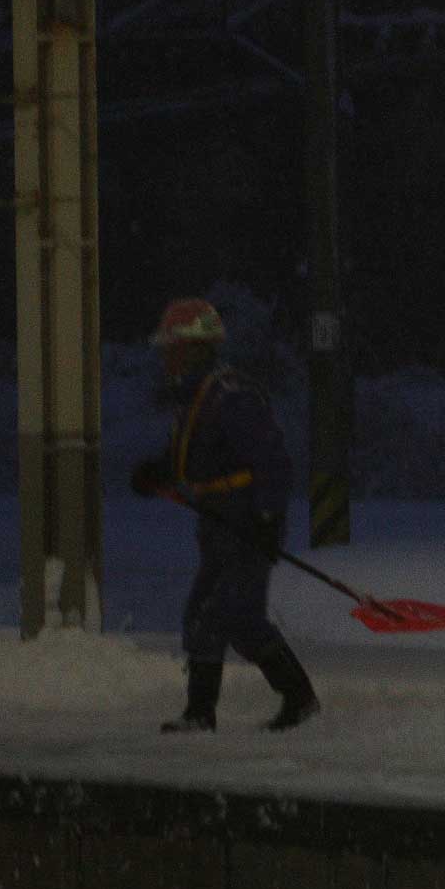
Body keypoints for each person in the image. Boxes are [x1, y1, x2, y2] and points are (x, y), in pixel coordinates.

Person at [131, 296, 321, 733]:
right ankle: (202, 711)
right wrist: (158, 472)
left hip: (246, 522)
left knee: (234, 614)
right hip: (218, 522)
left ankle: (298, 699)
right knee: (204, 612)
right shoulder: (197, 397)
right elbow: (193, 457)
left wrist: (267, 519)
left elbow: (273, 463)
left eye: (171, 347)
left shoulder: (230, 397)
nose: (165, 355)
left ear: (193, 347)